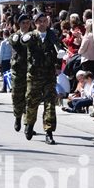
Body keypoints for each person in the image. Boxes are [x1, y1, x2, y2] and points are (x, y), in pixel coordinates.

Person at [21, 13, 60, 144]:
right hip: (34, 75)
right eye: (40, 21)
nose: (43, 23)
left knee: (50, 104)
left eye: (44, 21)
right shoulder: (32, 35)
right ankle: (29, 124)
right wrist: (24, 38)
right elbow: (23, 41)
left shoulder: (52, 35)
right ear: (35, 23)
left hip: (49, 75)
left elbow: (58, 49)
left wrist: (59, 63)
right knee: (32, 102)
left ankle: (49, 132)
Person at [10, 14, 31, 132]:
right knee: (17, 97)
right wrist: (16, 38)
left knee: (30, 99)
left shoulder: (33, 36)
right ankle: (18, 117)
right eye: (23, 23)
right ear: (19, 24)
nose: (26, 25)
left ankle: (28, 123)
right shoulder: (15, 36)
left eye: (28, 22)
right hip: (18, 72)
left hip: (30, 71)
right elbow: (12, 43)